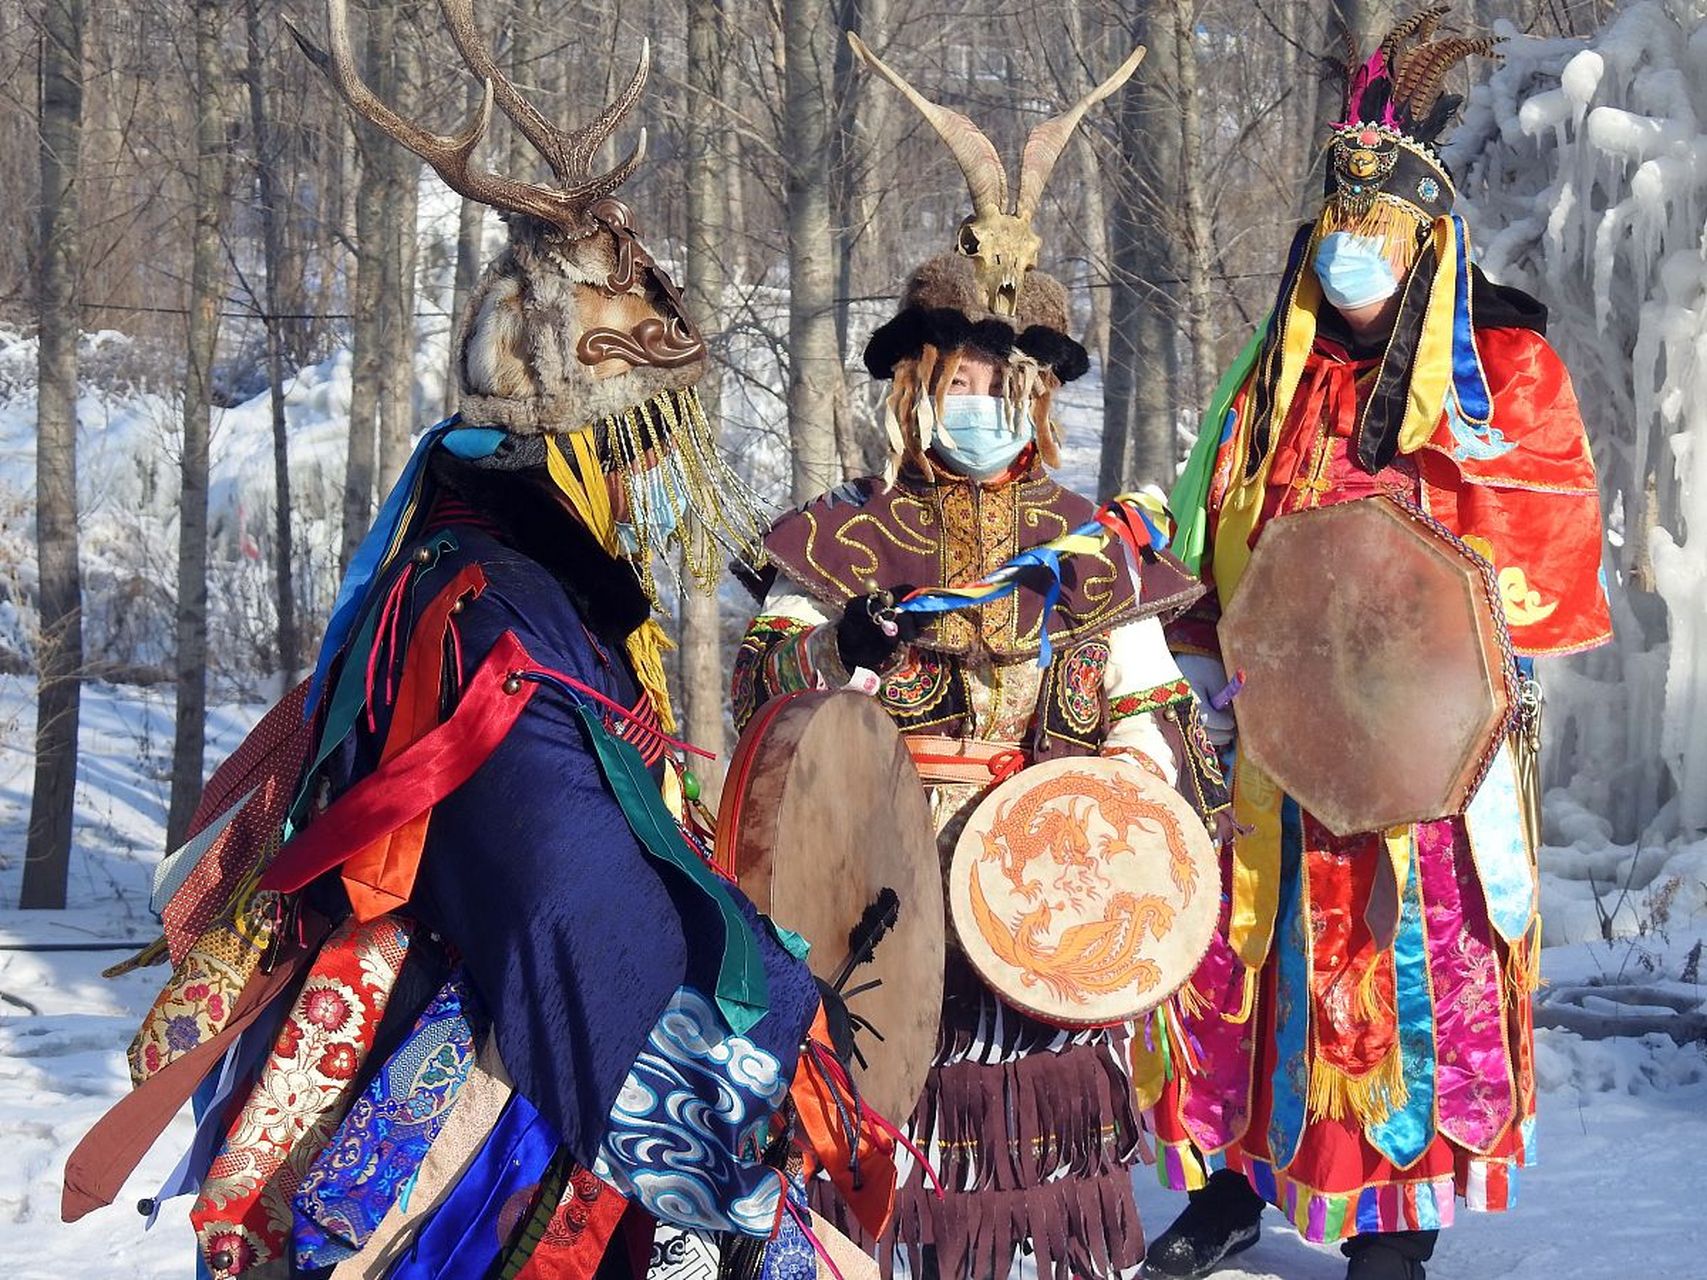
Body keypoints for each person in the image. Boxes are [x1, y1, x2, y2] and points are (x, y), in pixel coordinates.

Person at [61, 9, 884, 1279]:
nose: (655, 478)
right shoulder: (486, 602)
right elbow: (562, 892)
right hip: (519, 1098)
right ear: (582, 437)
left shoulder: (524, 576)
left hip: (538, 1046)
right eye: (643, 443)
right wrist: (761, 1000)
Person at [732, 37, 1228, 1280]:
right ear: (916, 385)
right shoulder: (839, 534)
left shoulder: (1089, 541)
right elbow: (760, 703)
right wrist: (839, 652)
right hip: (875, 891)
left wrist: (1115, 794)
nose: (986, 406)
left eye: (1008, 388)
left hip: (1042, 899)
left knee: (1037, 1163)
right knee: (884, 1137)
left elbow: (1153, 711)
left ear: (1038, 400)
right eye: (963, 380)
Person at [1143, 10, 1613, 1280]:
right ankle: (1229, 1184)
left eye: (1380, 231)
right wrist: (1206, 653)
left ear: (1428, 241)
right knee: (1244, 964)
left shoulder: (1503, 370)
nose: (1353, 252)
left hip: (1425, 759)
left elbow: (1541, 567)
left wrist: (1426, 656)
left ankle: (1391, 1225)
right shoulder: (1272, 380)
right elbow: (1206, 532)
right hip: (1267, 734)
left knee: (1397, 978)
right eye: (1337, 229)